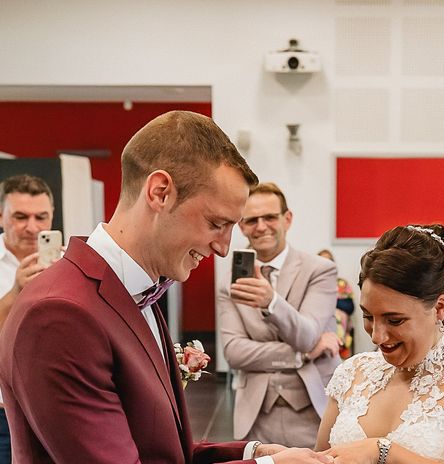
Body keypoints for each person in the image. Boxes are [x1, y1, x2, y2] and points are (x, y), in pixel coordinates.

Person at [0, 112, 331, 464]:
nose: (223, 248)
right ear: (160, 193)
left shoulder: (136, 290)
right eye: (216, 223)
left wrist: (253, 451)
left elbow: (160, 448)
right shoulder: (60, 313)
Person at [316, 224, 444, 464]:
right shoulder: (353, 372)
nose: (377, 336)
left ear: (439, 308)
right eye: (368, 316)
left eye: (394, 320)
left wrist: (383, 452)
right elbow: (320, 458)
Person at [218, 182, 341, 449]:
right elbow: (234, 352)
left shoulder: (320, 270)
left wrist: (271, 301)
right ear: (241, 226)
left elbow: (308, 335)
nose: (261, 226)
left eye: (270, 217)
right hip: (259, 415)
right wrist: (300, 355)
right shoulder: (230, 282)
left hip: (314, 411)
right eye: (251, 220)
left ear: (287, 219)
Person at [0, 174, 57, 464]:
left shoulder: (68, 263)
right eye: (20, 217)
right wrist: (16, 293)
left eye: (41, 217)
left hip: (54, 406)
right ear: (1, 216)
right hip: (2, 412)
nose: (32, 227)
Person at [318, 249, 355, 359]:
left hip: (341, 330)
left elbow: (349, 306)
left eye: (329, 261)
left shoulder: (341, 284)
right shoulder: (311, 283)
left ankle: (337, 345)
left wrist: (328, 301)